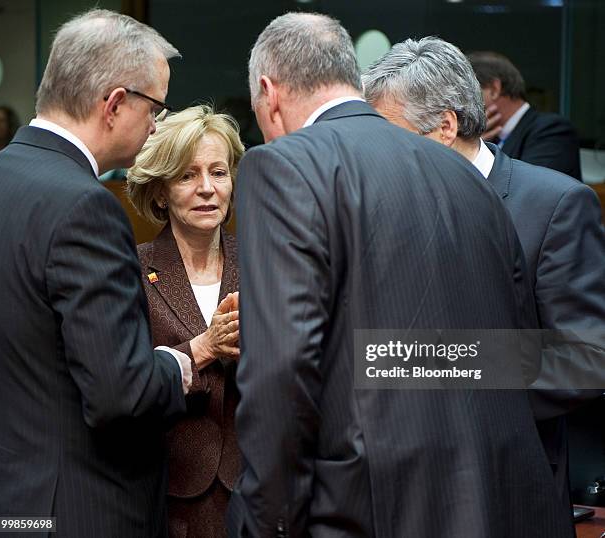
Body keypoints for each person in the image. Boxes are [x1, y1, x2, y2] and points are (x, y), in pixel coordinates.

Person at [227, 12, 572, 538]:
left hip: (365, 505)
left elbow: (283, 370)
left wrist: (268, 521)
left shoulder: (283, 165)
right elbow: (509, 350)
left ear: (269, 93)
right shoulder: (465, 171)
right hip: (491, 497)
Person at [362, 35, 605, 527]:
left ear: (446, 126)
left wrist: (444, 365)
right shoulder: (385, 206)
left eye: (391, 135)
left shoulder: (554, 205)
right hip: (401, 489)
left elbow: (587, 358)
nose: (379, 154)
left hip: (513, 485)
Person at [0, 9, 195, 538]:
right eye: (155, 106)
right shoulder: (87, 207)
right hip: (78, 509)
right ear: (114, 104)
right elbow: (119, 397)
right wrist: (176, 367)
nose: (157, 124)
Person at [126, 105, 244, 538]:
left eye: (218, 172)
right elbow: (123, 381)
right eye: (187, 176)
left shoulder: (264, 263)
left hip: (254, 492)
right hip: (166, 494)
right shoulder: (133, 269)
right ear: (160, 192)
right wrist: (205, 346)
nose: (207, 189)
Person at [467, 50, 583, 181]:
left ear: (494, 89)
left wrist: (475, 150)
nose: (462, 104)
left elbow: (524, 189)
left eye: (467, 93)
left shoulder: (552, 131)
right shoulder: (487, 137)